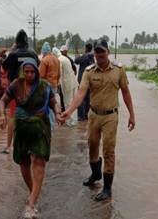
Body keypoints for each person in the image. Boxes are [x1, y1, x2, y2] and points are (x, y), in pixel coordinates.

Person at [62, 39, 136, 201]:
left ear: (108, 52)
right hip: (94, 115)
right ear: (94, 53)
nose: (100, 55)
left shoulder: (118, 70)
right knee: (92, 146)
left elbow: (126, 93)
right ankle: (96, 174)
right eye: (97, 52)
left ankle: (107, 189)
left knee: (109, 150)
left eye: (102, 51)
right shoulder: (89, 71)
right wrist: (69, 111)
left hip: (111, 116)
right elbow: (80, 93)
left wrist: (132, 114)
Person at [0, 58, 63, 218]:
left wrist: (58, 113)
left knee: (39, 162)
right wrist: (2, 115)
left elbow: (53, 102)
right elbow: (3, 100)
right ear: (22, 71)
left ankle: (31, 203)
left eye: (32, 72)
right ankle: (33, 192)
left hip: (40, 127)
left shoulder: (44, 86)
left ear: (36, 71)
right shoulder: (16, 85)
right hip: (22, 128)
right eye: (26, 72)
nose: (29, 75)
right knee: (24, 162)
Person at [1, 30, 39, 154]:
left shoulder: (13, 54)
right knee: (31, 115)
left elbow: (4, 66)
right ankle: (32, 146)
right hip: (31, 89)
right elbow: (38, 66)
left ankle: (8, 146)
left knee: (12, 117)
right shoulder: (32, 53)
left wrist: (12, 51)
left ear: (16, 42)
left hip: (15, 89)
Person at [39, 42, 61, 129]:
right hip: (54, 85)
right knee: (53, 104)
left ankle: (49, 125)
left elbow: (41, 75)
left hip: (46, 86)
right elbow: (59, 74)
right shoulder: (56, 59)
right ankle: (52, 125)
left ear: (43, 50)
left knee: (46, 105)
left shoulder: (44, 60)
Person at [57, 46, 78, 126]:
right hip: (72, 83)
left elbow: (60, 73)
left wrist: (58, 84)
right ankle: (72, 120)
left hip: (67, 84)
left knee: (67, 103)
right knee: (71, 102)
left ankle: (69, 121)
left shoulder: (60, 59)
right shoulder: (66, 58)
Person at [75, 43, 94, 121]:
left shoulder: (85, 56)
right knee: (87, 98)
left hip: (82, 80)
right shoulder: (92, 57)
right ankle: (86, 115)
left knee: (81, 98)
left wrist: (77, 55)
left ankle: (81, 117)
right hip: (90, 80)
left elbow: (76, 61)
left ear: (86, 48)